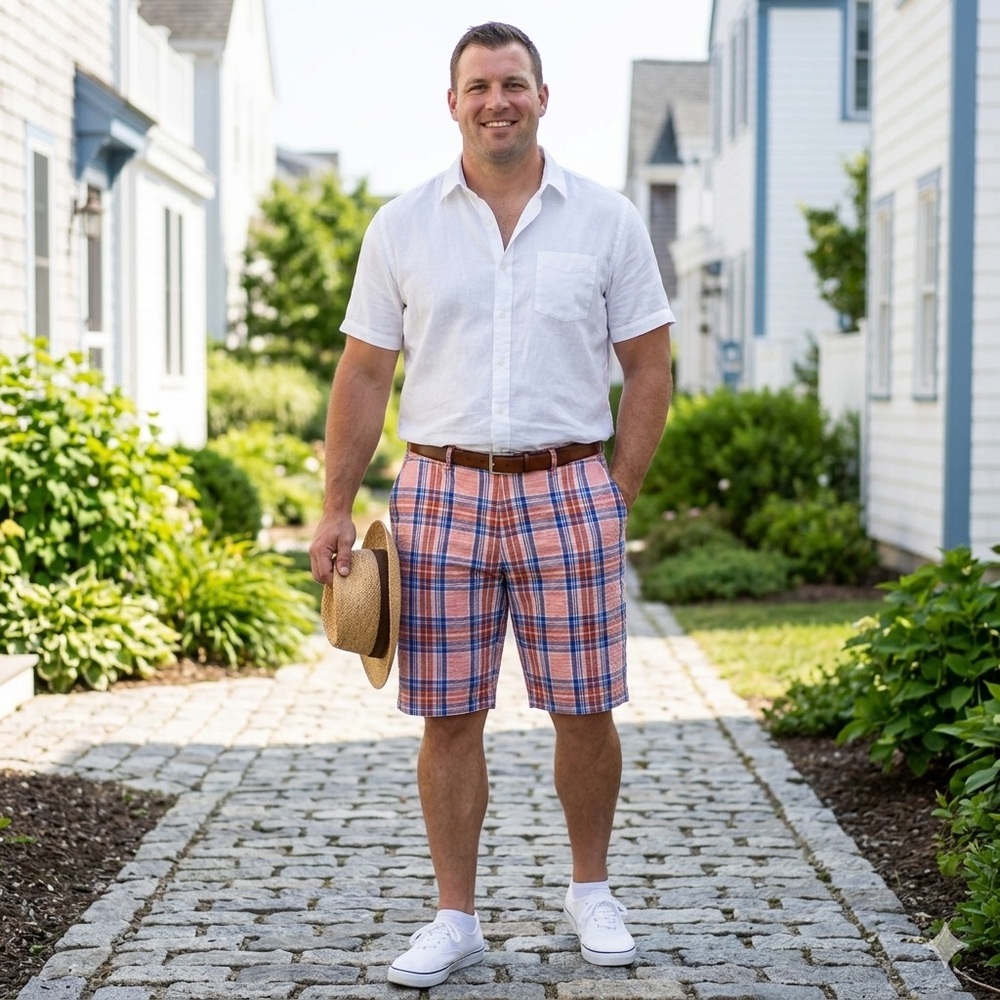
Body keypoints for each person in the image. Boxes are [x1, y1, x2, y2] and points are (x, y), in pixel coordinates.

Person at [309, 21, 673, 989]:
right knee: (448, 714)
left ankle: (590, 890)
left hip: (567, 486)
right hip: (438, 489)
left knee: (584, 706)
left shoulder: (606, 220)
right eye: (478, 86)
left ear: (543, 97)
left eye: (513, 84)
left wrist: (614, 492)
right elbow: (363, 372)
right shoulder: (402, 226)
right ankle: (454, 915)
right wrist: (334, 505)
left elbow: (647, 368)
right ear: (452, 102)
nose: (496, 101)